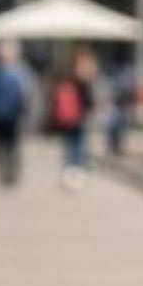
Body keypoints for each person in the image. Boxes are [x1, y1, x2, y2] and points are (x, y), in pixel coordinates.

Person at [0, 40, 32, 188]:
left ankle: (12, 173)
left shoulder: (20, 73)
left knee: (13, 145)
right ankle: (1, 172)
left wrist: (26, 112)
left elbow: (27, 95)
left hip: (14, 115)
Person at [48, 48, 95, 189]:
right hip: (79, 116)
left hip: (67, 116)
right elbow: (87, 100)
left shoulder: (66, 76)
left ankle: (68, 170)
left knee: (69, 143)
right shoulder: (83, 79)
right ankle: (77, 170)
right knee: (79, 143)